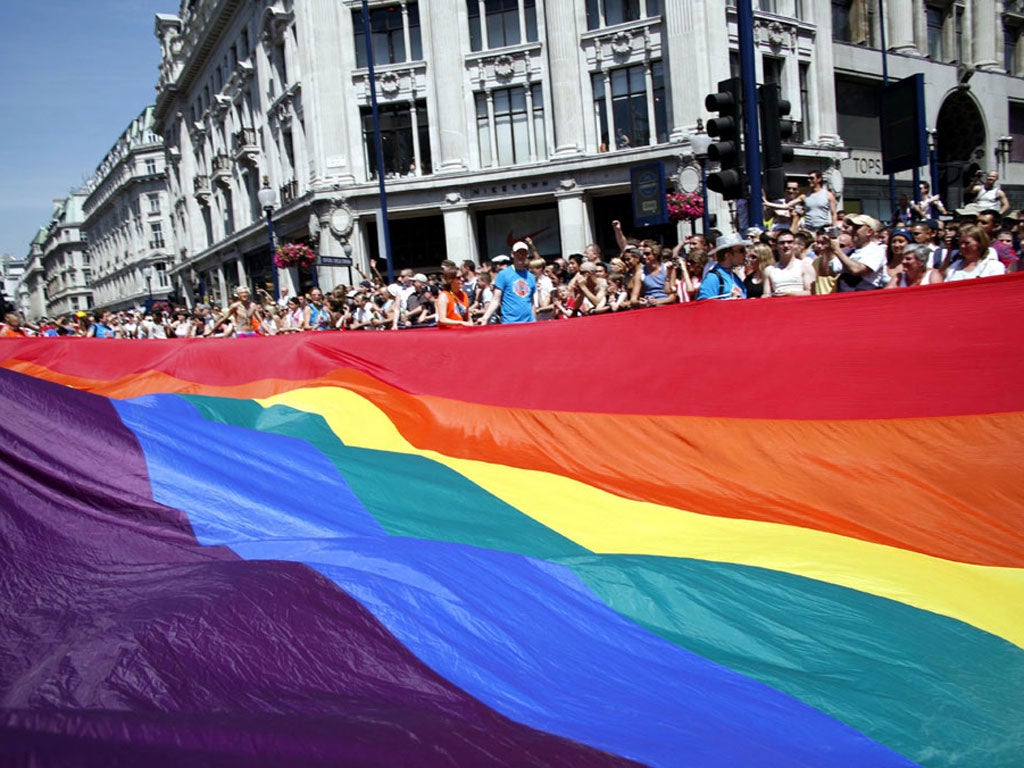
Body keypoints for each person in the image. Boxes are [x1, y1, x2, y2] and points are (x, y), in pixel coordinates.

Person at [478, 241, 536, 324]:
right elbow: (495, 300)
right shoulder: (503, 274)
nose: (521, 256)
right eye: (518, 253)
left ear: (527, 255)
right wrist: (485, 318)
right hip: (510, 322)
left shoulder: (531, 277)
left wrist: (534, 322)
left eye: (523, 253)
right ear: (512, 254)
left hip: (528, 322)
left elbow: (531, 303)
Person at [696, 233, 750, 300]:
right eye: (741, 250)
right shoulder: (712, 278)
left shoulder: (734, 277)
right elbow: (704, 305)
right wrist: (729, 301)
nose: (745, 253)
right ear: (727, 255)